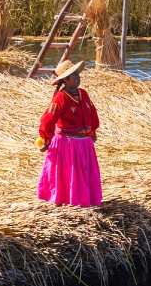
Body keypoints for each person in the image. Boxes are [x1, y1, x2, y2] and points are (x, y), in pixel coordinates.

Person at [37, 59, 102, 207]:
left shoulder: (83, 93)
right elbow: (48, 119)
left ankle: (86, 200)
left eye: (78, 75)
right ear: (66, 79)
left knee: (85, 172)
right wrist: (46, 139)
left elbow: (92, 112)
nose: (79, 78)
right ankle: (66, 199)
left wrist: (93, 131)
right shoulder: (60, 97)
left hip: (85, 142)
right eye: (75, 76)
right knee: (70, 173)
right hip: (68, 143)